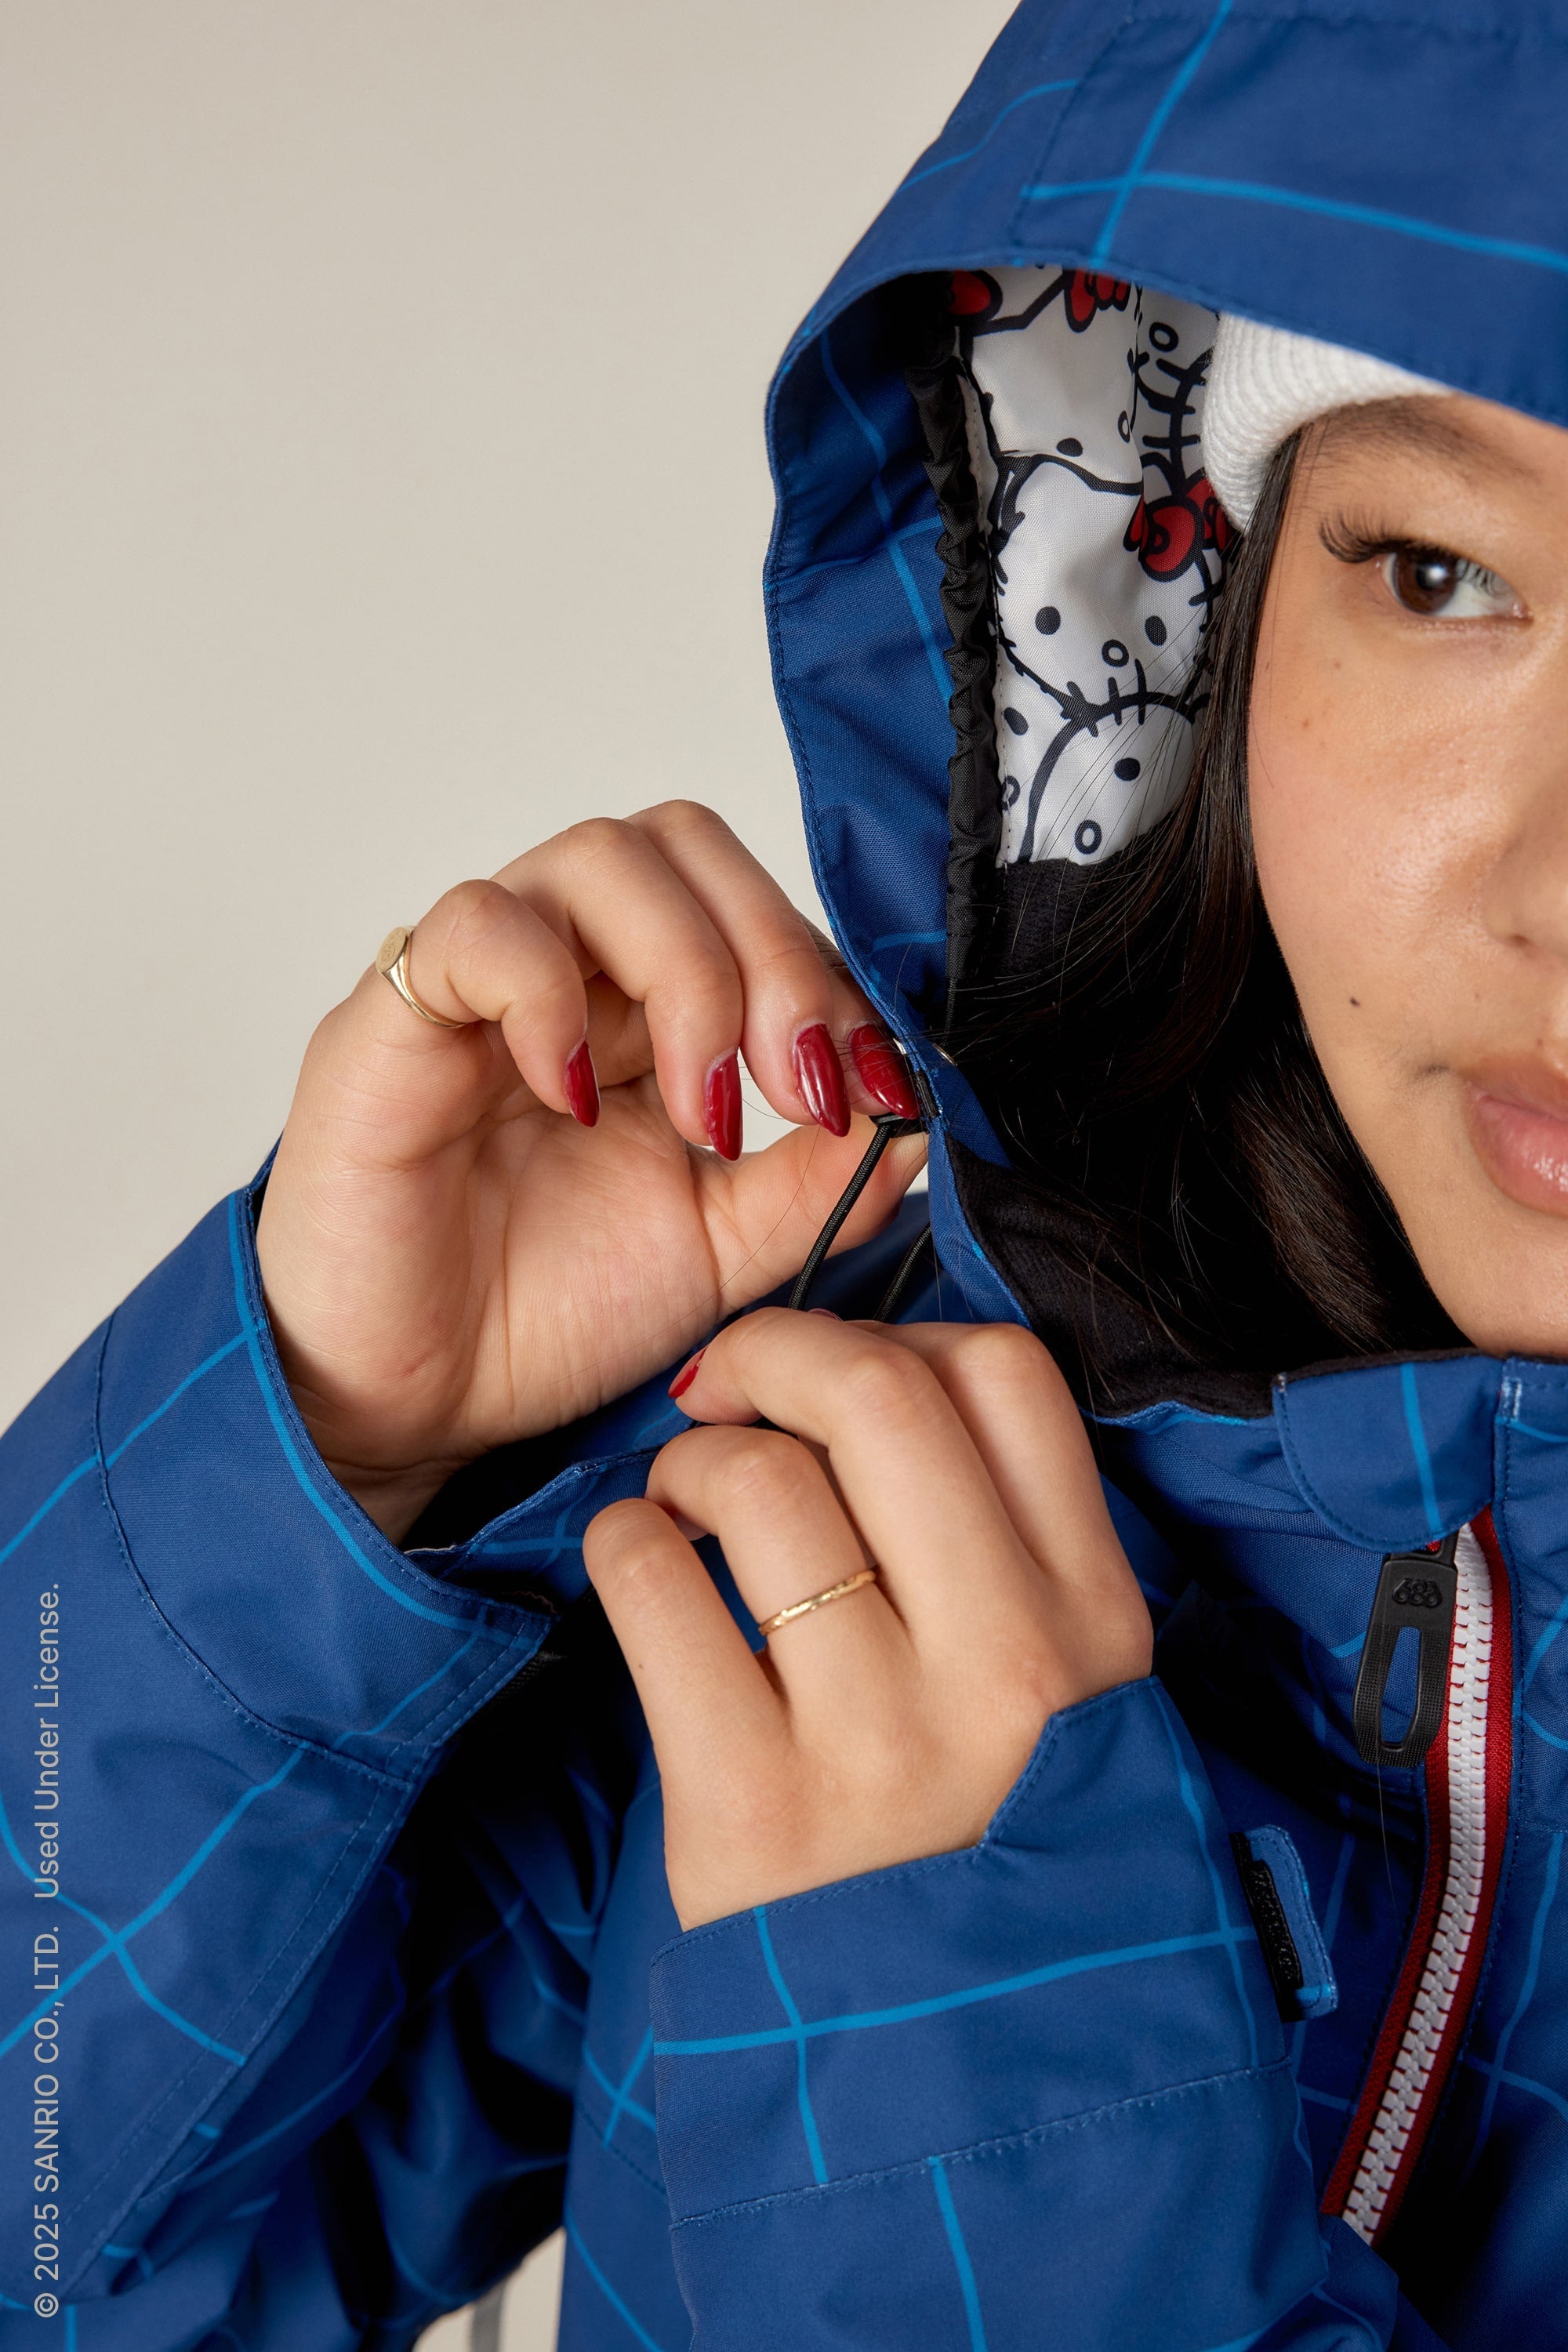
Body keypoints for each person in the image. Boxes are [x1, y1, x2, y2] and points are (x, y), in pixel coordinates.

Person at [3, 2, 1565, 2344]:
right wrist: (314, 1473)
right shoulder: (914, 1477)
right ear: (1188, 628)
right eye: (1444, 576)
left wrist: (979, 2135)